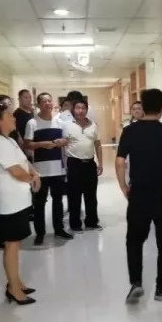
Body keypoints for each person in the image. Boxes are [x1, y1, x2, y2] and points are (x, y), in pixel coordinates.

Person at [115, 89, 162, 304]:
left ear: (143, 107)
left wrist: (123, 187)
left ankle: (136, 282)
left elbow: (119, 162)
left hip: (138, 194)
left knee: (134, 240)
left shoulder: (129, 131)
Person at [0, 100, 40, 305]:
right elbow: (16, 172)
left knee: (15, 244)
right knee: (11, 246)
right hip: (10, 203)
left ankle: (17, 282)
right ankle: (14, 289)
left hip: (19, 201)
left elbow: (24, 163)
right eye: (9, 116)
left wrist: (34, 173)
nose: (14, 118)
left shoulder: (9, 140)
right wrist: (33, 178)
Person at [24, 92, 72, 245]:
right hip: (40, 171)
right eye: (44, 101)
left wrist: (62, 141)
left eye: (49, 101)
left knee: (58, 201)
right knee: (39, 203)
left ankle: (59, 229)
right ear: (38, 105)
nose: (48, 104)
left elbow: (67, 140)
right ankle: (40, 233)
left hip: (58, 169)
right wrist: (41, 144)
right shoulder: (32, 123)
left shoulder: (60, 122)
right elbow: (27, 144)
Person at [63, 99, 103, 233]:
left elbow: (98, 144)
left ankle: (92, 222)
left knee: (91, 195)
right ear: (73, 110)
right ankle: (75, 224)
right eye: (77, 108)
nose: (80, 110)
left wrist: (100, 163)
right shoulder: (67, 125)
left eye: (83, 108)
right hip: (74, 163)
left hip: (90, 164)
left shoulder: (93, 125)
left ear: (87, 110)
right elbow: (63, 144)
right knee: (74, 195)